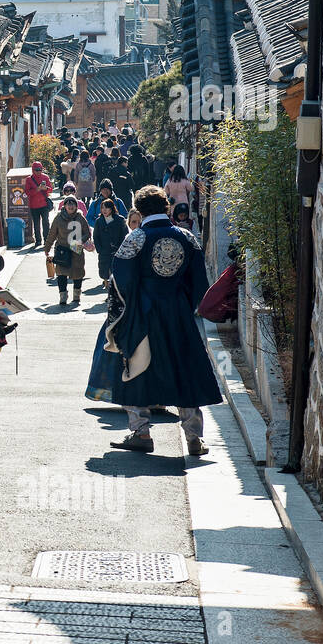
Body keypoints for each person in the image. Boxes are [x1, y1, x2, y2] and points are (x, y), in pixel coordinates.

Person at [100, 185, 223, 455]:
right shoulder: (187, 238)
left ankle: (141, 432)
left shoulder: (136, 239)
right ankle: (194, 437)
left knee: (136, 369)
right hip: (178, 313)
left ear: (139, 209)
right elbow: (199, 283)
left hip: (143, 313)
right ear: (166, 207)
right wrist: (183, 305)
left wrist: (126, 311)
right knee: (185, 369)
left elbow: (120, 279)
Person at [44, 195, 91, 306]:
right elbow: (52, 234)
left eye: (73, 204)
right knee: (61, 274)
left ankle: (76, 296)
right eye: (68, 204)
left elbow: (87, 233)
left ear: (76, 206)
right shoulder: (58, 218)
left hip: (76, 248)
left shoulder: (80, 218)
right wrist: (47, 247)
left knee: (78, 273)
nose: (70, 206)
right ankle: (63, 296)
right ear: (64, 206)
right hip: (62, 249)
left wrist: (79, 241)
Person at [92, 198, 127, 282]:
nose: (104, 210)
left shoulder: (120, 220)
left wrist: (121, 248)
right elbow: (96, 237)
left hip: (117, 251)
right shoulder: (99, 221)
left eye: (106, 208)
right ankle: (106, 283)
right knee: (104, 272)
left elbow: (125, 235)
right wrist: (99, 249)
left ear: (112, 208)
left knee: (117, 273)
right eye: (102, 208)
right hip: (104, 251)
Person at [26, 161, 54, 248]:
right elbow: (27, 192)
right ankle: (38, 241)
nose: (38, 171)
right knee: (36, 224)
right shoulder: (29, 179)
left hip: (44, 204)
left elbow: (50, 190)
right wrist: (37, 190)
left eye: (40, 169)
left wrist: (46, 188)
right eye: (36, 170)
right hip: (33, 205)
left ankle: (46, 240)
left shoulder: (45, 177)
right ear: (33, 170)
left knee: (46, 222)